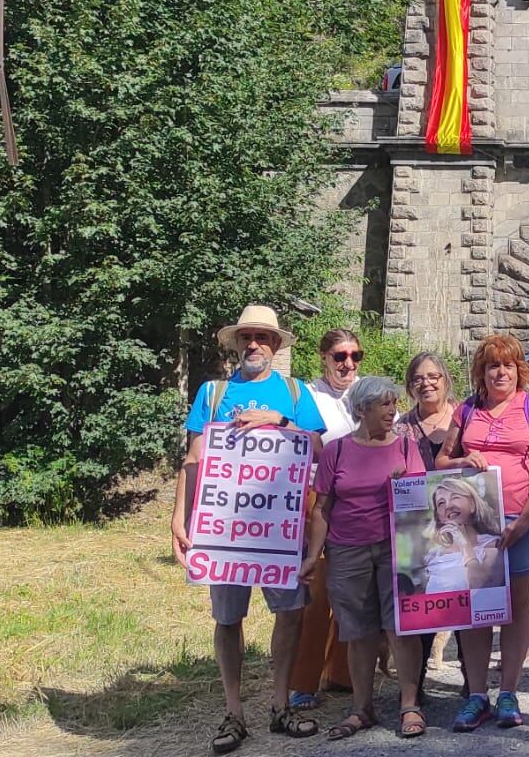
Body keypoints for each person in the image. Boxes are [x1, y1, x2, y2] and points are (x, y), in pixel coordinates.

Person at [170, 305, 327, 754]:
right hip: (224, 529)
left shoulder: (295, 392)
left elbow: (318, 449)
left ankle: (280, 705)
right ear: (237, 344)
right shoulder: (213, 393)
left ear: (275, 345)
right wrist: (178, 517)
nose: (254, 344)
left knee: (290, 613)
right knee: (227, 618)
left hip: (281, 526)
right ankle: (233, 712)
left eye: (262, 337)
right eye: (246, 337)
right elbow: (194, 458)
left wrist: (279, 422)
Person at [434, 334, 529, 731]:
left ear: (518, 370)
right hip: (476, 522)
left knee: (517, 606)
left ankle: (508, 691)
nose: (500, 372)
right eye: (493, 366)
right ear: (482, 371)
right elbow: (441, 460)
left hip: (519, 518)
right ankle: (477, 694)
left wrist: (524, 521)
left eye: (508, 365)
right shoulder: (467, 409)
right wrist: (462, 459)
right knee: (476, 607)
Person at [304, 377, 430, 740]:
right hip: (347, 552)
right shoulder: (337, 451)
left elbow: (421, 504)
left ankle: (409, 705)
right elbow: (321, 508)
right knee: (358, 631)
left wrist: (403, 486)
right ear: (362, 410)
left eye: (394, 403)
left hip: (396, 549)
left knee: (401, 628)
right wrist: (313, 556)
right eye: (384, 404)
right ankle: (362, 708)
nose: (392, 411)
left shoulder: (406, 447)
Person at [289, 329, 362, 710]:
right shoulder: (307, 395)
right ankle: (304, 681)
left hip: (361, 501)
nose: (348, 364)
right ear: (324, 358)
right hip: (318, 499)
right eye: (339, 356)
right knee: (317, 593)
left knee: (354, 590)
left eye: (354, 356)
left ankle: (342, 673)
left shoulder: (369, 391)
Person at [395, 352, 457, 674]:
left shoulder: (466, 418)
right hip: (418, 530)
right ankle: (415, 686)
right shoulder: (401, 428)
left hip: (460, 525)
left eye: (433, 376)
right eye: (418, 378)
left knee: (464, 602)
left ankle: (472, 687)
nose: (426, 383)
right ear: (409, 386)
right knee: (421, 605)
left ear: (446, 380)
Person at [423, 475, 507, 591]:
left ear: (472, 505)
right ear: (438, 516)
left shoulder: (494, 546)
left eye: (455, 497)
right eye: (441, 503)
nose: (448, 506)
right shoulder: (434, 556)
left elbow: (479, 589)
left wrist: (464, 545)